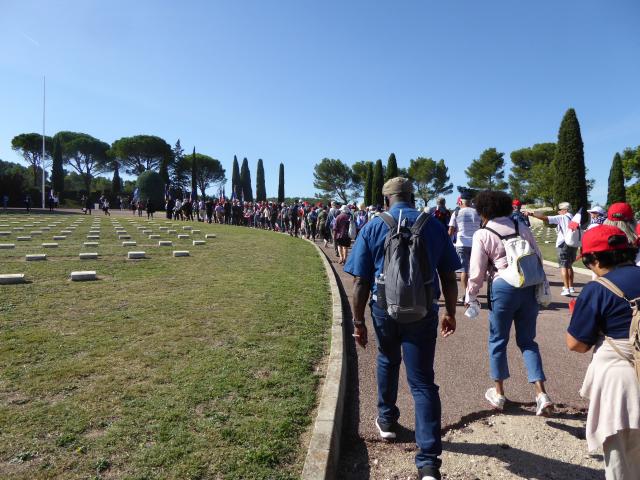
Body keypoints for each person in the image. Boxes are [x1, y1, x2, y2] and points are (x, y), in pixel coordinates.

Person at [344, 177, 460, 480]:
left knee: (387, 359)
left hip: (384, 309)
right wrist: (450, 311)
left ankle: (387, 420)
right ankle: (429, 463)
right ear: (412, 196)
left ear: (386, 201)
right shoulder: (432, 224)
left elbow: (360, 283)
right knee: (422, 382)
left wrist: (358, 322)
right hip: (423, 311)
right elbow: (449, 275)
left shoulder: (373, 225)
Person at [465, 190, 553, 416]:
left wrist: (471, 296)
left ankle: (499, 393)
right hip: (528, 284)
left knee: (498, 340)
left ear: (483, 210)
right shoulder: (521, 227)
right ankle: (541, 393)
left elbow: (477, 271)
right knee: (527, 341)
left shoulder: (483, 234)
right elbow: (538, 256)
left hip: (503, 285)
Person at [567, 225, 640, 479]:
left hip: (623, 382)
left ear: (594, 259)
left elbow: (576, 344)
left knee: (622, 461)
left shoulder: (597, 289)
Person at [527, 202, 577, 296]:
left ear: (565, 210)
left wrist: (531, 214)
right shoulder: (574, 218)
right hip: (573, 244)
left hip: (563, 243)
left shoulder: (563, 217)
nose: (559, 212)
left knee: (563, 266)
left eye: (560, 210)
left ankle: (566, 289)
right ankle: (571, 286)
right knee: (569, 265)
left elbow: (545, 218)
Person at [448, 192, 481, 304]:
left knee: (464, 271)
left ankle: (467, 295)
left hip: (462, 244)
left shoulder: (456, 213)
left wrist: (448, 243)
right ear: (471, 201)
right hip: (476, 244)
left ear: (461, 201)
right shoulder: (478, 212)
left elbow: (451, 231)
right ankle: (473, 293)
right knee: (475, 270)